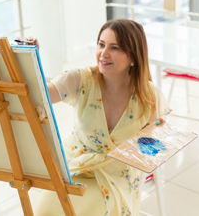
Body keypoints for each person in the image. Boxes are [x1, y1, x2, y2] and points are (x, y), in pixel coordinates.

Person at [35, 19, 170, 216]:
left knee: (94, 209)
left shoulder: (149, 95)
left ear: (133, 56)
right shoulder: (80, 79)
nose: (103, 54)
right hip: (75, 167)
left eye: (114, 48)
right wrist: (31, 60)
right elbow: (41, 95)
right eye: (101, 44)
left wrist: (155, 139)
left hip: (117, 174)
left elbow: (155, 142)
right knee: (46, 209)